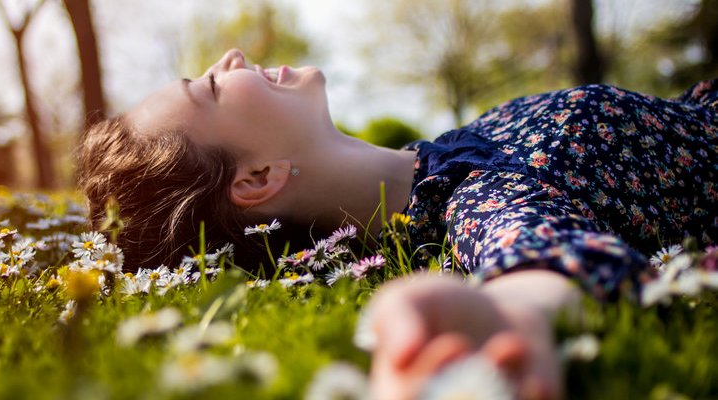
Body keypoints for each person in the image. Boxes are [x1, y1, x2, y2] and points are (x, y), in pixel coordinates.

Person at [76, 48, 718, 399]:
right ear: (256, 179)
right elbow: (541, 259)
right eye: (210, 89)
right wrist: (503, 321)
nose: (233, 56)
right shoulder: (473, 197)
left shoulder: (450, 152)